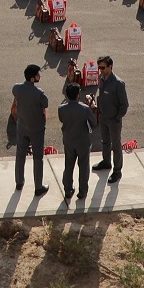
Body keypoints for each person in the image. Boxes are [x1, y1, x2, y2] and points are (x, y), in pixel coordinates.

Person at [9, 64, 49, 196]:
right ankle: (38, 187)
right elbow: (46, 104)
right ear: (32, 78)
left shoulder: (17, 88)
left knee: (20, 154)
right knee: (38, 157)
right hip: (36, 129)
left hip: (22, 127)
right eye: (38, 74)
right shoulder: (39, 93)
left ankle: (19, 182)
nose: (39, 76)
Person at [58, 81, 96, 200]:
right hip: (83, 141)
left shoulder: (61, 109)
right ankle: (82, 191)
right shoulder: (85, 109)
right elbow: (94, 123)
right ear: (78, 95)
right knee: (83, 166)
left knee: (69, 165)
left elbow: (62, 120)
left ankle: (68, 189)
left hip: (69, 140)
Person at [94, 55, 129, 180]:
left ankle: (117, 170)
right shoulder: (101, 78)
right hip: (103, 117)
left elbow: (124, 104)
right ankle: (106, 162)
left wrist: (117, 118)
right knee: (105, 142)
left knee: (116, 145)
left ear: (110, 66)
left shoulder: (118, 84)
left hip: (113, 120)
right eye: (99, 68)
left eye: (103, 67)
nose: (101, 70)